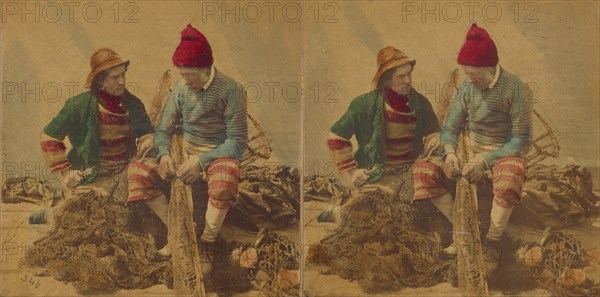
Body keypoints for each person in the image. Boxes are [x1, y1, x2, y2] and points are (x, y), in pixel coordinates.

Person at [126, 24, 248, 274]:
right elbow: (163, 131)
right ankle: (175, 232)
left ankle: (207, 243)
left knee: (224, 180)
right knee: (137, 173)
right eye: (182, 75)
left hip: (218, 153)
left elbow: (236, 142)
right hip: (184, 152)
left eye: (190, 75)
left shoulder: (232, 90)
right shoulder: (181, 90)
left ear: (206, 69)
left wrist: (201, 162)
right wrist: (164, 155)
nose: (185, 81)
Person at [439, 23, 533, 269]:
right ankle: (465, 235)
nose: (470, 80)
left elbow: (521, 140)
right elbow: (450, 129)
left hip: (503, 153)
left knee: (511, 175)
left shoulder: (515, 88)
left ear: (491, 68)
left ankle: (492, 240)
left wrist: (485, 161)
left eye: (475, 75)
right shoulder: (468, 89)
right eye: (467, 75)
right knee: (425, 173)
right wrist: (450, 153)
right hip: (471, 152)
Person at [326, 46, 445, 203]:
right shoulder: (364, 104)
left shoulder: (420, 103)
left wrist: (434, 140)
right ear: (387, 80)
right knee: (376, 211)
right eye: (401, 76)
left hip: (410, 171)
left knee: (432, 198)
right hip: (377, 173)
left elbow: (434, 133)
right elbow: (336, 137)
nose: (408, 80)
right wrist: (353, 171)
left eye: (409, 74)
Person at [40, 48, 154, 203]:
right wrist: (66, 173)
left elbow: (146, 133)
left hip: (125, 173)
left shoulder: (133, 104)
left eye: (123, 75)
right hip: (92, 176)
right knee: (89, 215)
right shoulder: (79, 105)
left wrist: (146, 142)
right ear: (100, 80)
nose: (121, 81)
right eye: (115, 77)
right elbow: (49, 136)